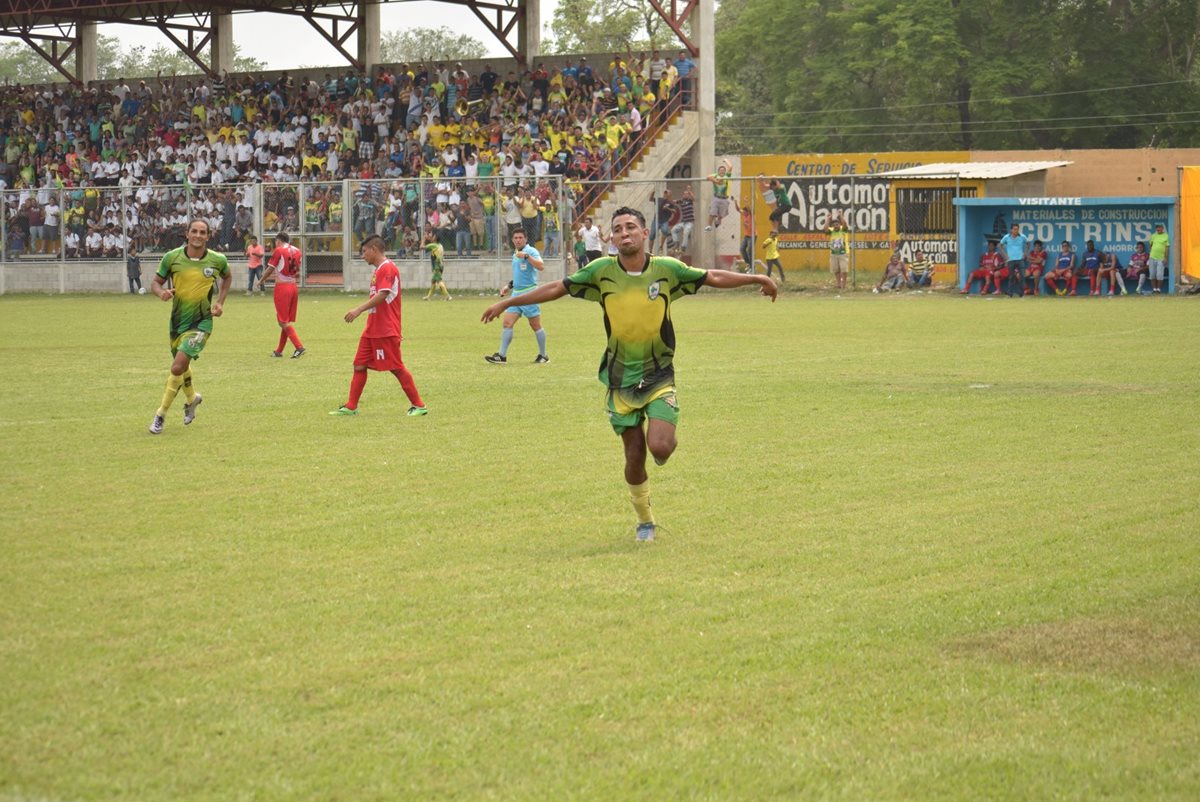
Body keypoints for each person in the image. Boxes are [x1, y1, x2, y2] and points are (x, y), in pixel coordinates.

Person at [481, 206, 777, 542]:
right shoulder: (600, 272)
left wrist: (757, 278)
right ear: (612, 238)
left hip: (658, 373)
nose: (625, 233)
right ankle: (645, 522)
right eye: (618, 228)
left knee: (660, 447)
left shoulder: (667, 269)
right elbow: (557, 288)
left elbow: (712, 276)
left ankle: (663, 442)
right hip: (620, 377)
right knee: (634, 454)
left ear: (644, 233)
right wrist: (508, 303)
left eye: (631, 227)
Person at [147, 219, 231, 435]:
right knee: (181, 365)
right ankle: (192, 398)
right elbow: (155, 283)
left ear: (208, 236)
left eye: (202, 232)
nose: (198, 235)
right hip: (177, 322)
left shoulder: (217, 260)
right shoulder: (172, 257)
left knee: (177, 367)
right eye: (194, 231)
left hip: (202, 322)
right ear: (187, 233)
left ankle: (160, 415)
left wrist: (220, 302)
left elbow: (227, 277)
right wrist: (161, 293)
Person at [330, 234, 428, 417]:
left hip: (385, 329)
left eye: (364, 251)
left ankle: (419, 405)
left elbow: (383, 294)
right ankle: (351, 406)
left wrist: (359, 309)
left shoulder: (387, 268)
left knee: (396, 367)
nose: (362, 256)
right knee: (359, 365)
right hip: (372, 329)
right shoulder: (378, 270)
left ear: (374, 249)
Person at [484, 229, 548, 364]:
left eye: (520, 237)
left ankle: (544, 355)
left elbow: (541, 266)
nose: (518, 240)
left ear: (526, 239)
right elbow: (519, 275)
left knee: (535, 325)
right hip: (516, 294)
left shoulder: (530, 251)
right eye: (516, 238)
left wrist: (527, 257)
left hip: (530, 294)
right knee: (507, 323)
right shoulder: (515, 254)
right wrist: (508, 286)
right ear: (512, 240)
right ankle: (501, 356)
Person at [261, 232, 306, 359]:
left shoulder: (279, 250)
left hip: (282, 287)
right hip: (293, 286)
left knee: (282, 321)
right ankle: (279, 351)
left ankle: (299, 346)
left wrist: (261, 280)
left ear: (278, 240)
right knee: (285, 321)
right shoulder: (297, 250)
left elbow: (270, 268)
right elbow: (297, 268)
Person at [998, 223, 1029, 297]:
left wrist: (1025, 253)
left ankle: (1021, 294)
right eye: (1014, 229)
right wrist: (1005, 256)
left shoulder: (1022, 236)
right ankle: (1010, 294)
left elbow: (1028, 243)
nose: (1016, 230)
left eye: (1017, 229)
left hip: (1020, 260)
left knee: (1022, 276)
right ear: (1011, 230)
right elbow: (1000, 245)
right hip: (1010, 260)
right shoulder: (1006, 237)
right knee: (1011, 277)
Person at [422, 229, 452, 300]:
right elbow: (432, 243)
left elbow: (421, 247)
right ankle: (428, 297)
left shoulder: (434, 245)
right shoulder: (440, 245)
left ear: (435, 238)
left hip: (437, 266)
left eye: (433, 236)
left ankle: (448, 296)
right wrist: (428, 238)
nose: (432, 237)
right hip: (440, 265)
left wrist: (423, 239)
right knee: (433, 281)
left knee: (439, 280)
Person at [704, 160, 733, 231]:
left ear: (725, 172)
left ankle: (718, 221)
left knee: (721, 214)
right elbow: (708, 177)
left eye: (723, 170)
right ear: (718, 171)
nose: (722, 171)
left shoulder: (726, 176)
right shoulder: (716, 176)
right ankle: (709, 226)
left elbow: (730, 167)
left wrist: (725, 160)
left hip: (724, 198)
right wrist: (716, 181)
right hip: (716, 197)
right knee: (712, 212)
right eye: (720, 170)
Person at [827, 211, 851, 290]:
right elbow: (825, 229)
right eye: (834, 225)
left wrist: (841, 216)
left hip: (843, 253)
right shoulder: (832, 231)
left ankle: (843, 285)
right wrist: (828, 219)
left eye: (837, 224)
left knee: (844, 269)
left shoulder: (843, 230)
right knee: (836, 269)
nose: (835, 226)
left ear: (839, 225)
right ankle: (838, 284)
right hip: (833, 253)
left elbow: (845, 224)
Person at [1147, 223, 1170, 294]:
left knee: (1159, 275)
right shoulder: (1153, 236)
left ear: (1162, 228)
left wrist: (1166, 258)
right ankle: (1154, 289)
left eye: (1159, 227)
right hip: (1152, 257)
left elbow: (1167, 247)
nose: (1158, 229)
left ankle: (1158, 289)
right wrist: (1151, 253)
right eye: (1157, 227)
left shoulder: (1166, 236)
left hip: (1161, 258)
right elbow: (1150, 245)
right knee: (1152, 274)